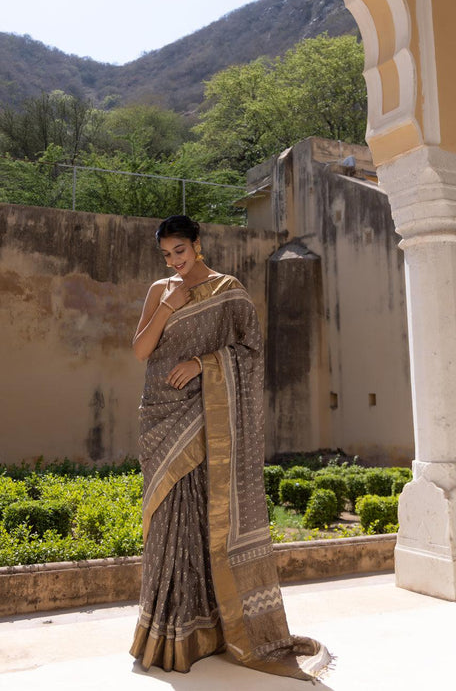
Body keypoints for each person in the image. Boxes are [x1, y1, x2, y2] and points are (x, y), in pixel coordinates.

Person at [129, 215, 330, 681]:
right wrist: (167, 305)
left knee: (208, 517)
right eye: (166, 255)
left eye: (180, 251)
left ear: (198, 245)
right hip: (162, 416)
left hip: (208, 415)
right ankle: (169, 632)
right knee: (167, 521)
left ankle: (216, 628)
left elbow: (250, 351)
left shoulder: (228, 290)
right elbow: (141, 350)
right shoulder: (161, 288)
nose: (174, 261)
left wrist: (204, 363)